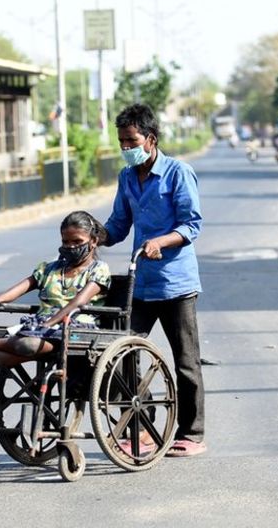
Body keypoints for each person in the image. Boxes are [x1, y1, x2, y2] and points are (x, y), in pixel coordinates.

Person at [102, 103, 207, 458]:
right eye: (121, 141)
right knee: (119, 357)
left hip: (176, 284)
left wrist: (161, 241)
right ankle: (142, 429)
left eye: (131, 140)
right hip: (140, 285)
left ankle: (191, 434)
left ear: (151, 139)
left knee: (186, 363)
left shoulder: (178, 172)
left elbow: (191, 224)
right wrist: (93, 236)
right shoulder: (127, 177)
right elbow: (119, 224)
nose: (125, 148)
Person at [0, 211, 111, 367]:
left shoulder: (98, 269)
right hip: (43, 329)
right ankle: (29, 356)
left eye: (77, 242)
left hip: (75, 329)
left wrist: (48, 325)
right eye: (66, 242)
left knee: (28, 343)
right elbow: (21, 288)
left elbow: (78, 303)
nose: (71, 247)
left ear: (93, 241)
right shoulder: (49, 269)